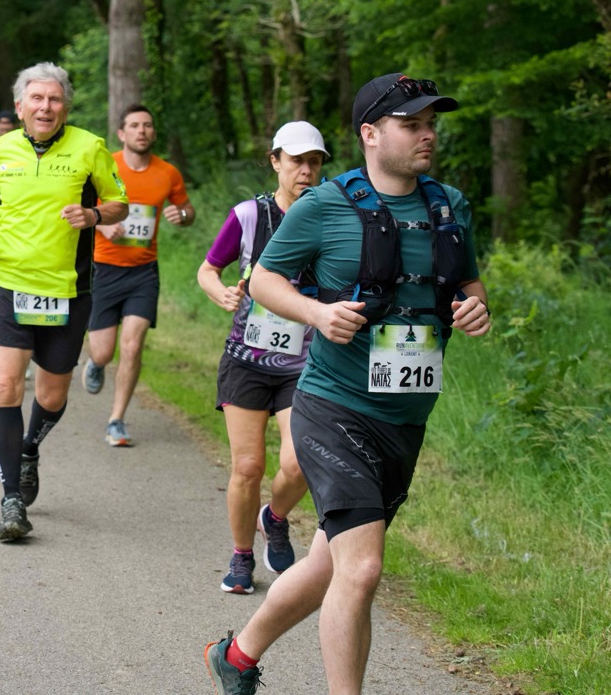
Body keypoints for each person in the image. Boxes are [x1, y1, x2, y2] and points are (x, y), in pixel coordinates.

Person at [204, 74, 491, 695]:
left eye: (430, 124)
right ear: (370, 133)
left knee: (328, 563)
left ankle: (238, 655)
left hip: (405, 419)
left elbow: (466, 281)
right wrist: (316, 313)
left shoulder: (449, 206)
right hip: (332, 407)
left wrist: (475, 307)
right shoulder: (324, 206)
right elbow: (264, 280)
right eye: (411, 124)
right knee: (361, 570)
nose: (427, 134)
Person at [0, 62, 128, 542]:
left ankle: (30, 447)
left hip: (68, 291)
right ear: (20, 107)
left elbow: (119, 203)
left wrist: (94, 214)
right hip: (8, 282)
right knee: (4, 385)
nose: (45, 107)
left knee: (52, 395)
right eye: (36, 99)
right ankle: (11, 499)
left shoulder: (89, 147)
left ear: (65, 107)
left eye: (54, 99)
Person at [196, 120, 328, 596]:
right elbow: (208, 269)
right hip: (246, 360)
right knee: (248, 467)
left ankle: (274, 517)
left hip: (305, 365)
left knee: (301, 463)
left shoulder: (333, 216)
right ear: (275, 162)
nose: (306, 171)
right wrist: (220, 293)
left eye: (314, 162)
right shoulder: (249, 215)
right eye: (296, 161)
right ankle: (241, 555)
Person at [83, 104, 195, 447]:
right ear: (121, 133)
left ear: (153, 132)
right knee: (104, 352)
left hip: (144, 273)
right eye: (134, 125)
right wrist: (102, 225)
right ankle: (96, 363)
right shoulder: (105, 165)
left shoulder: (167, 173)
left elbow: (187, 209)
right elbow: (81, 209)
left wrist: (182, 216)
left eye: (147, 125)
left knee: (132, 346)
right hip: (104, 269)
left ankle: (116, 420)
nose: (141, 131)